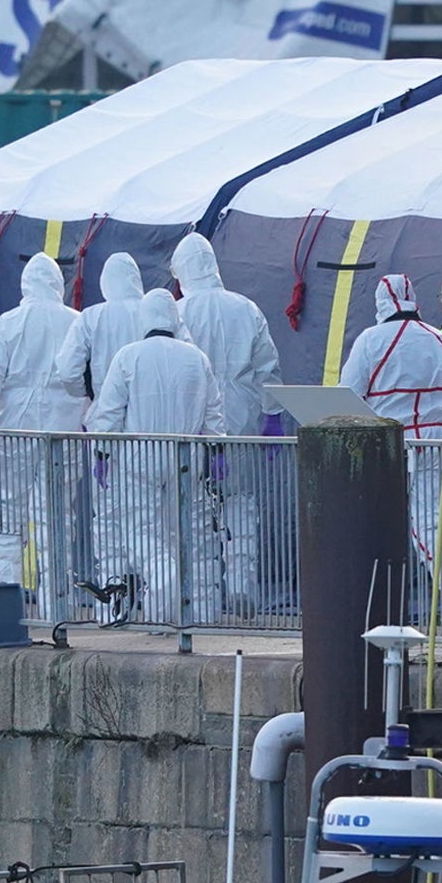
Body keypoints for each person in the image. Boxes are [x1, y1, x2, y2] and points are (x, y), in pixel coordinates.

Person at [85, 288, 227, 627]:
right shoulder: (197, 358)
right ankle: (201, 614)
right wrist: (218, 451)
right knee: (194, 535)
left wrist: (102, 452)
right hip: (186, 459)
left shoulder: (128, 356)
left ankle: (161, 592)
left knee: (142, 530)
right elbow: (214, 413)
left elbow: (109, 413)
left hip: (139, 459)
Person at [169, 232, 283, 619]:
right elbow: (268, 368)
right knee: (241, 502)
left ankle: (202, 597)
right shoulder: (245, 307)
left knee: (197, 507)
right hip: (243, 412)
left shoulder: (177, 312)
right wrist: (272, 417)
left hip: (195, 417)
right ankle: (240, 580)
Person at [339, 274, 442, 618]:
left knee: (395, 525)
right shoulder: (440, 339)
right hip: (436, 441)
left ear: (380, 301)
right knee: (433, 521)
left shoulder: (370, 340)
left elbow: (348, 393)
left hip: (392, 443)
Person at [0, 252, 85, 609]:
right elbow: (89, 378)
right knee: (57, 513)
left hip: (14, 426)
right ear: (57, 285)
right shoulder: (76, 322)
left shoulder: (9, 323)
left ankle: (6, 598)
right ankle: (55, 602)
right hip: (64, 425)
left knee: (6, 512)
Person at [54, 252, 150, 405]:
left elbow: (68, 369)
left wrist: (89, 393)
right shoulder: (156, 312)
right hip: (149, 407)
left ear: (105, 280)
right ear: (136, 279)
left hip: (106, 408)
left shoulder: (91, 316)